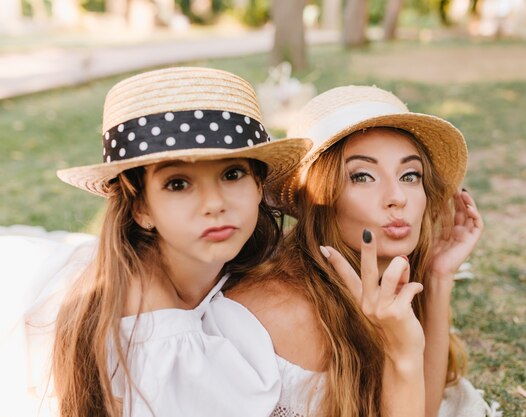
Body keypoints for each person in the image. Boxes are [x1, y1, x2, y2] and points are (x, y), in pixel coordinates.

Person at [7, 66, 311, 416]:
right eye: (178, 184)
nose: (214, 204)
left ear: (259, 185)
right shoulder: (154, 332)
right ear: (141, 208)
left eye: (232, 173)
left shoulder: (220, 255)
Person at [227, 85, 488, 417]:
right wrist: (402, 352)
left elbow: (423, 408)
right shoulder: (279, 314)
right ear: (318, 197)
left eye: (410, 175)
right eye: (363, 176)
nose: (398, 197)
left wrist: (438, 277)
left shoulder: (390, 286)